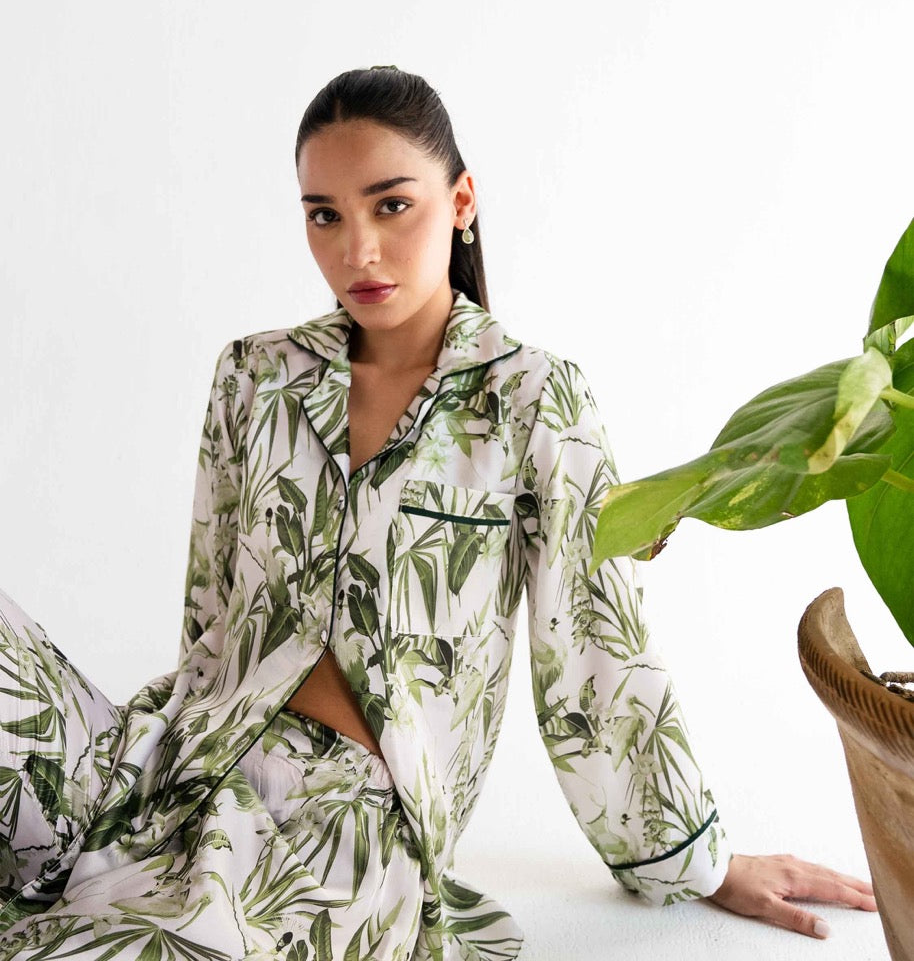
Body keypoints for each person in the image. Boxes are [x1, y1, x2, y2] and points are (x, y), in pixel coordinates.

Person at [0, 67, 877, 960]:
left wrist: (700, 863)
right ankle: (104, 860)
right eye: (324, 215)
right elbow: (209, 612)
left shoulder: (532, 399)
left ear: (460, 202)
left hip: (338, 833)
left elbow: (593, 651)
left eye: (391, 206)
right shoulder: (254, 376)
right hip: (169, 763)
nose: (358, 251)